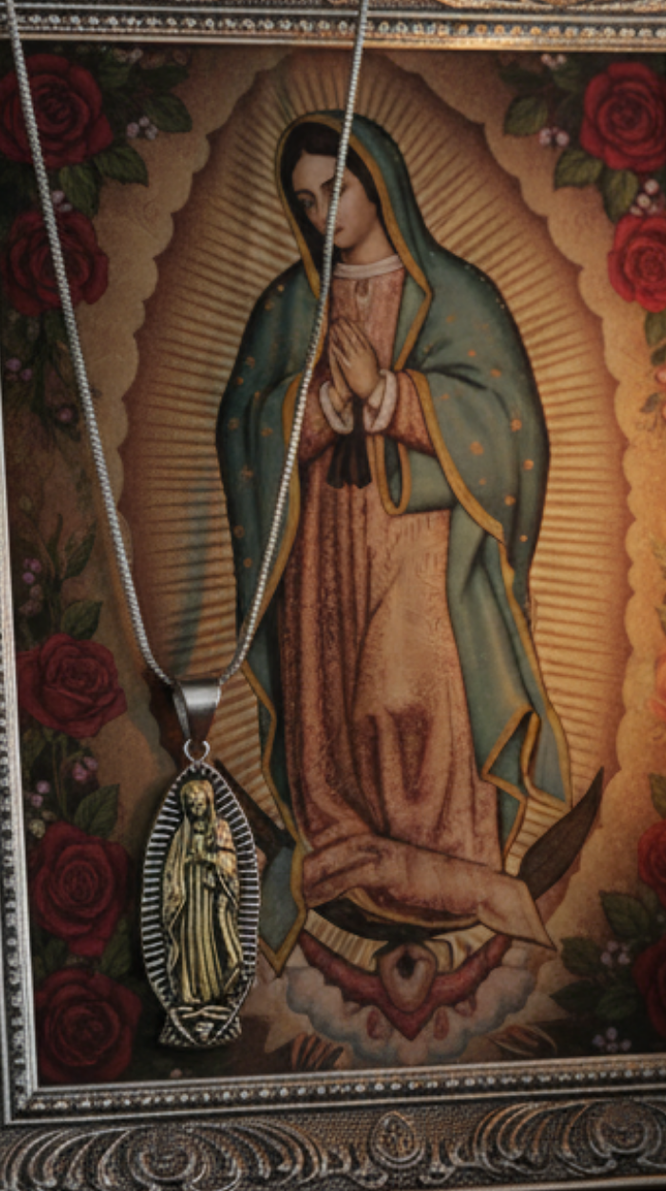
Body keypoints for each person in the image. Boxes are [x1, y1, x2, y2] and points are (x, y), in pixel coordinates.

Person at [217, 111, 568, 970]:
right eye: (304, 201)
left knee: (406, 701)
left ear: (380, 182)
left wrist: (393, 397)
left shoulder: (456, 294)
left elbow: (512, 430)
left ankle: (448, 861)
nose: (321, 214)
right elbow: (241, 429)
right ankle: (346, 848)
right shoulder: (290, 301)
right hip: (321, 545)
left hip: (420, 540)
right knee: (335, 711)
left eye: (336, 189)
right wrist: (325, 409)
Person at [160, 775, 242, 1008]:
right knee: (188, 938)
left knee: (207, 937)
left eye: (200, 804)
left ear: (209, 803)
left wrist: (205, 857)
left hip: (208, 895)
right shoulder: (181, 834)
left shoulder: (219, 828)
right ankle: (187, 992)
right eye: (191, 805)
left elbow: (229, 864)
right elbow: (171, 868)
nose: (196, 809)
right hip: (187, 894)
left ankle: (211, 992)